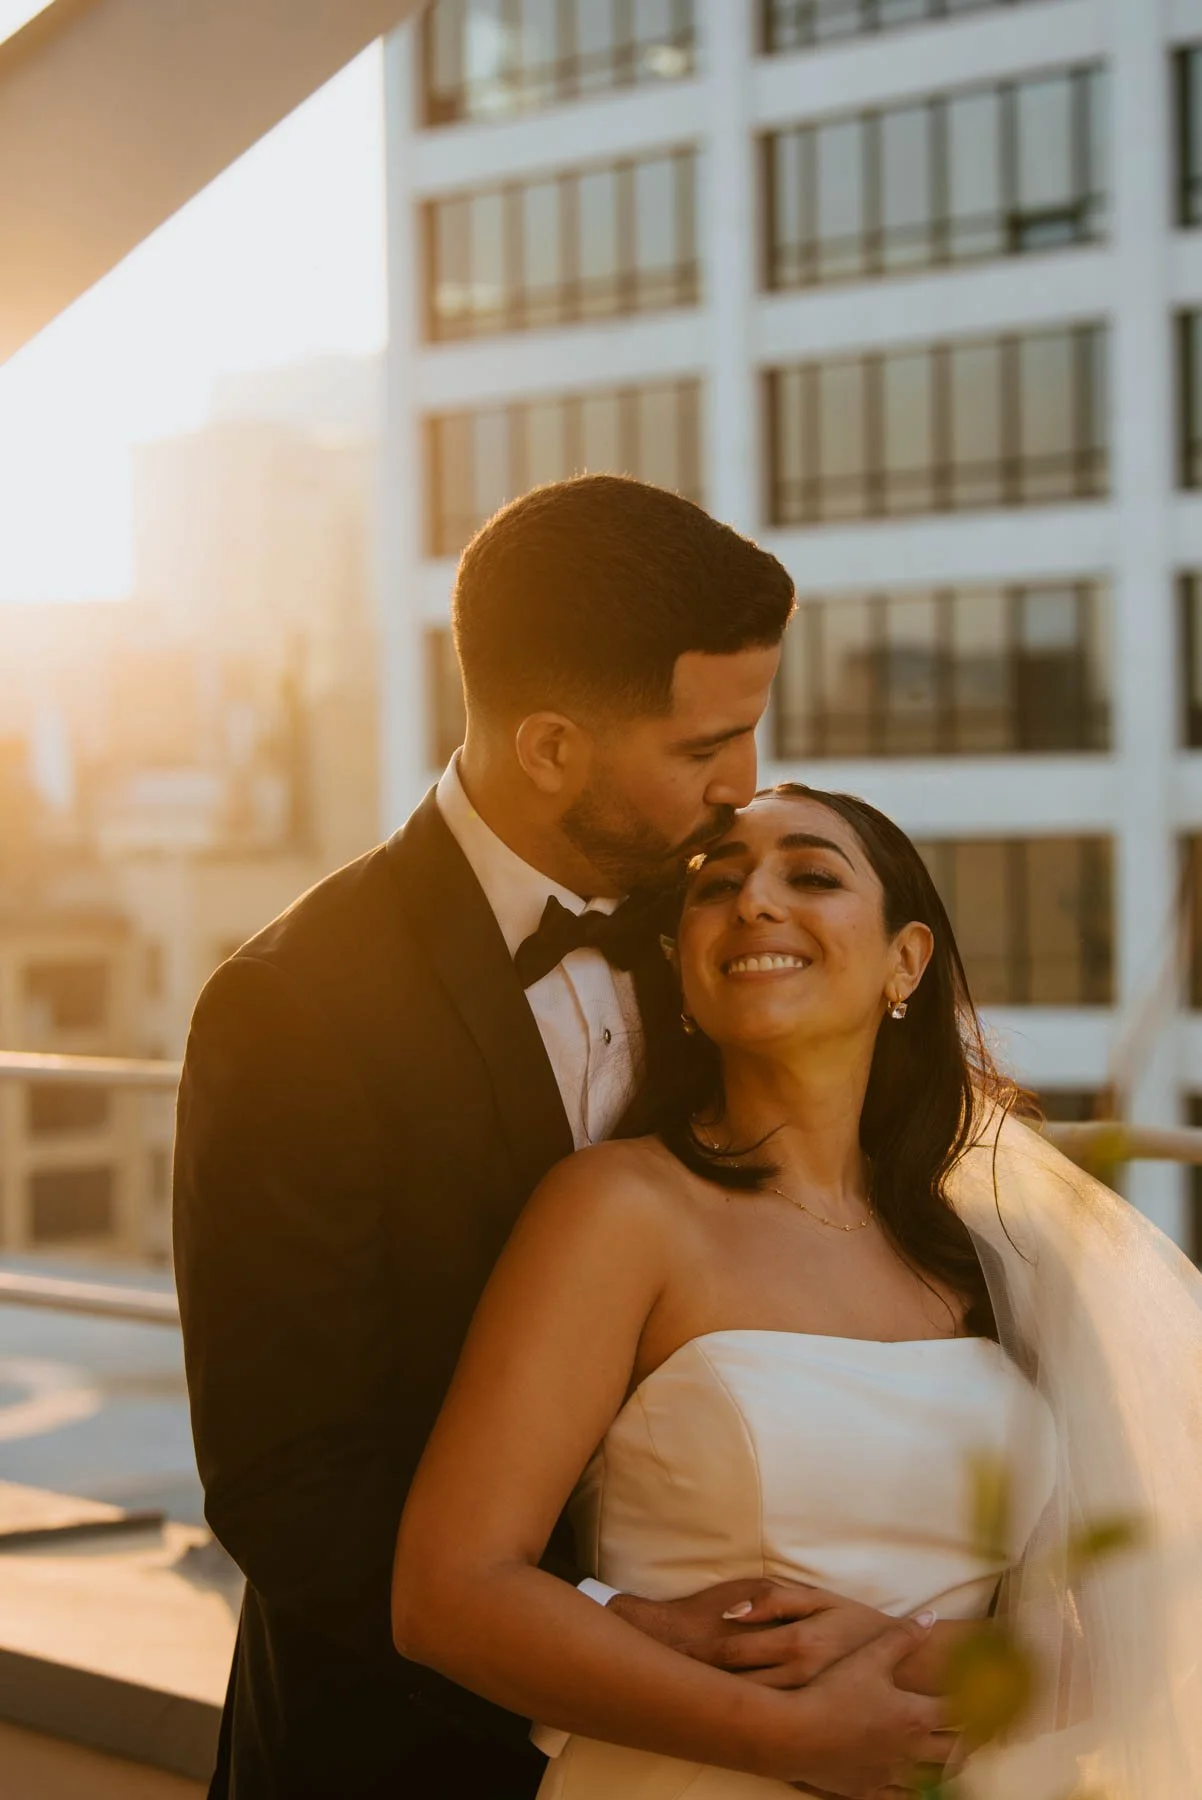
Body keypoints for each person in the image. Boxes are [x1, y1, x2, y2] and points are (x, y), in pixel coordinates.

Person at [174, 475, 871, 1800]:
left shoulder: (727, 929)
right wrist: (597, 1636)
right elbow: (285, 1482)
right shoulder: (291, 1009)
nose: (744, 788)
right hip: (400, 1751)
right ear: (550, 747)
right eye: (700, 749)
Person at [394, 784, 1202, 1799]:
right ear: (680, 970)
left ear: (904, 961)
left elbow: (1152, 1614)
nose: (754, 903)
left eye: (810, 875)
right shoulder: (617, 1209)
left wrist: (924, 1658)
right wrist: (786, 1737)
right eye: (715, 886)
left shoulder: (997, 1244)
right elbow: (449, 1594)